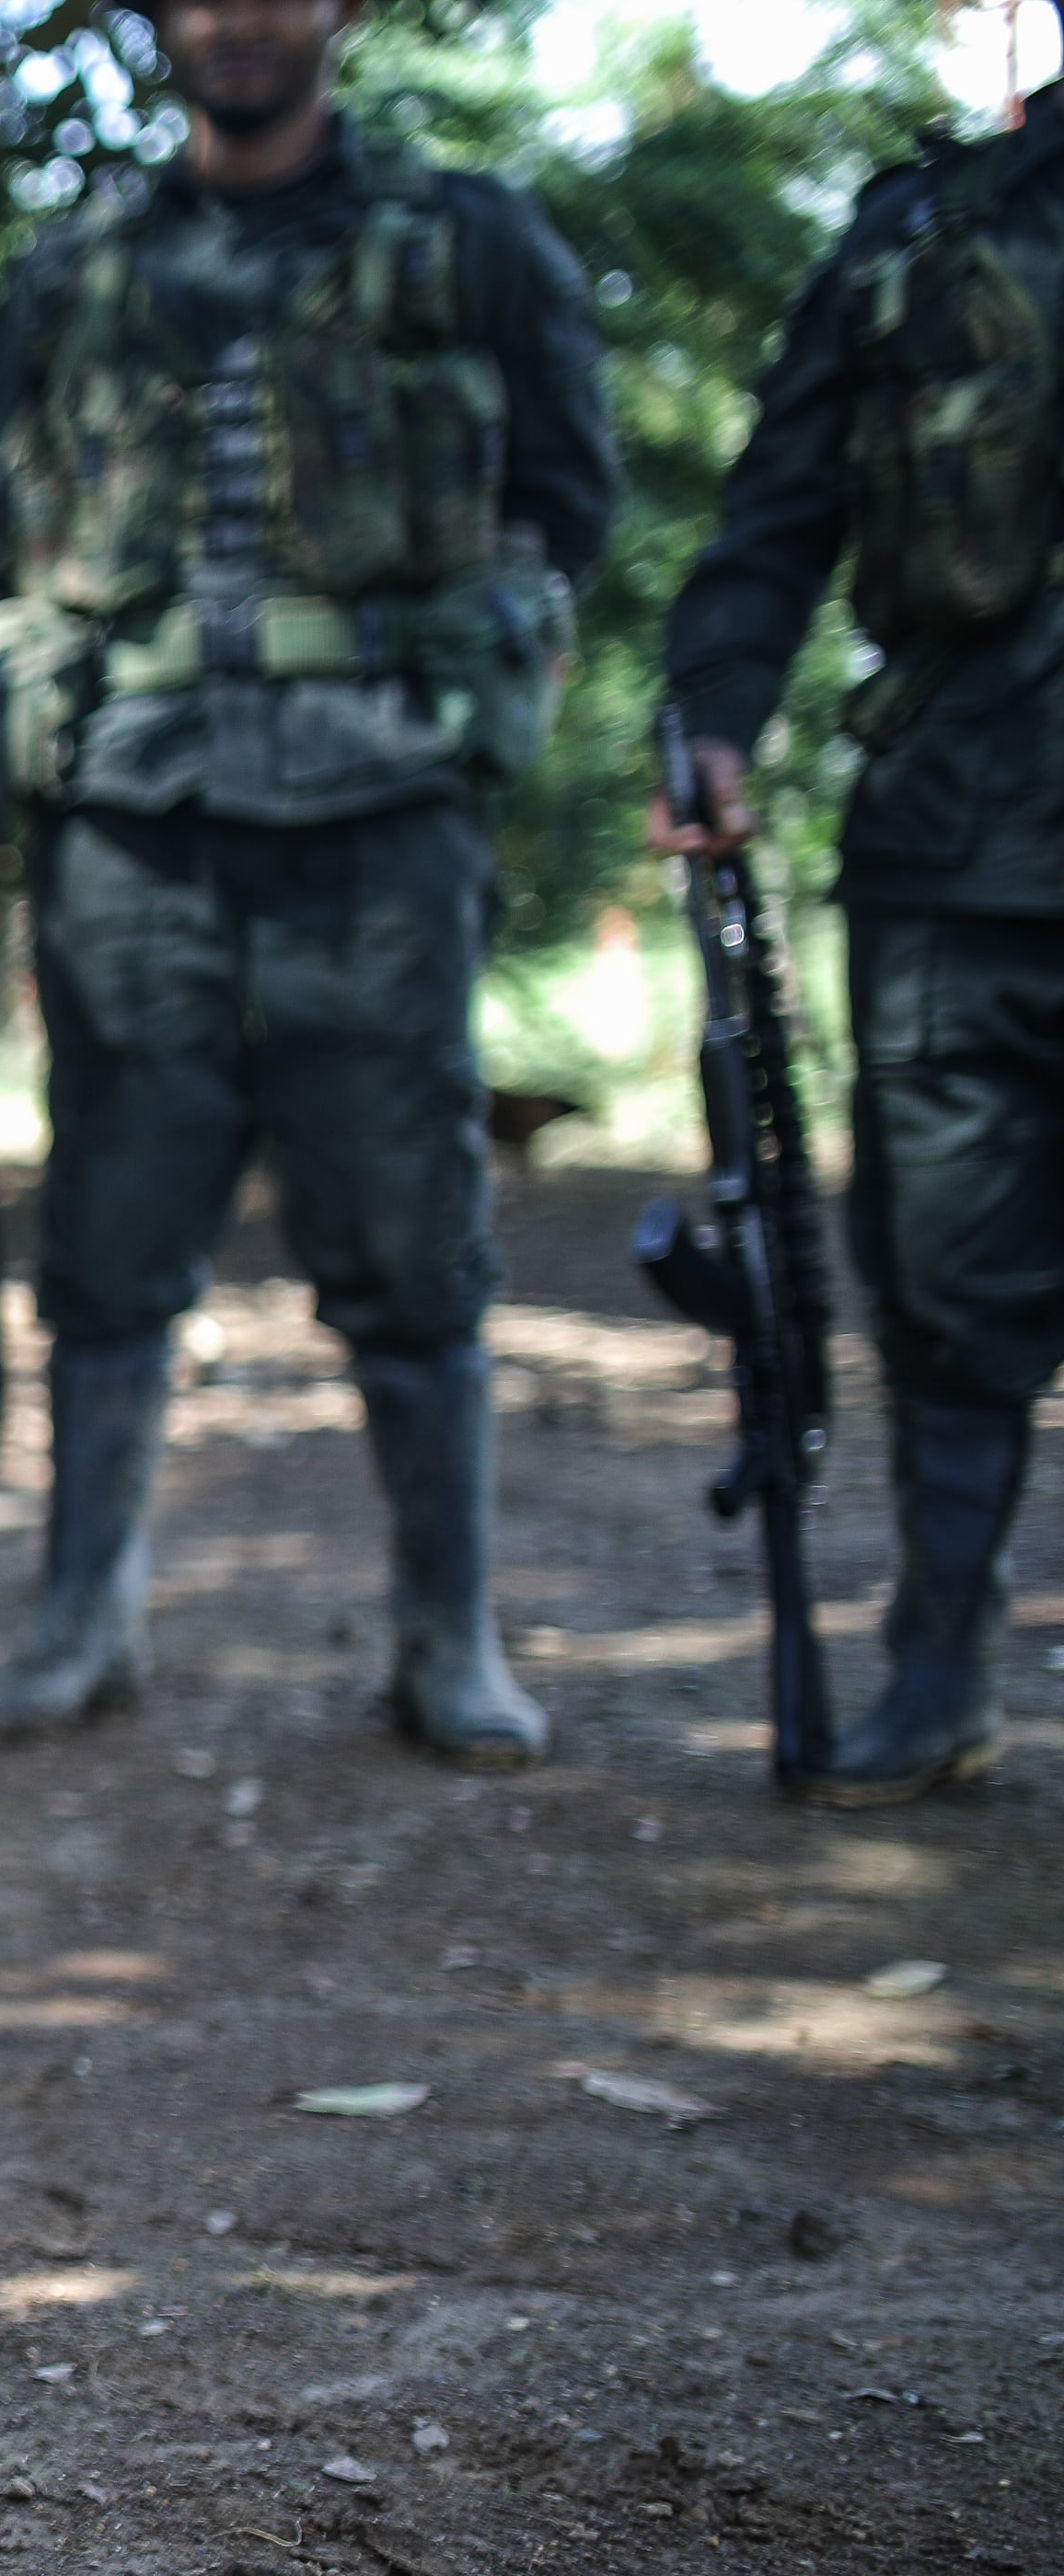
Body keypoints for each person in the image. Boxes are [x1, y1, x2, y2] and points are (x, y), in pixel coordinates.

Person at [0, 0, 614, 1766]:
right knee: (111, 1239)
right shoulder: (78, 270)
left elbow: (571, 496)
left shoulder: (468, 240)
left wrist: (470, 660)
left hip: (380, 811)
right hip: (130, 817)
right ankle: (81, 1619)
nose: (240, 18)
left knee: (413, 1231)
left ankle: (451, 1637)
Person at [658, 63, 1061, 1805]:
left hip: (963, 843)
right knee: (951, 1284)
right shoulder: (921, 235)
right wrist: (716, 710)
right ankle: (942, 1667)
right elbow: (776, 513)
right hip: (961, 846)